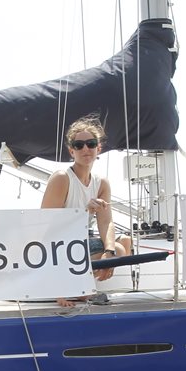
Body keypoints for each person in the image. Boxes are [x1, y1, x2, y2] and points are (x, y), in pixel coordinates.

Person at [40, 115, 132, 306]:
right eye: (79, 145)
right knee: (118, 248)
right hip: (58, 245)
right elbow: (46, 227)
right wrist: (85, 212)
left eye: (91, 144)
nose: (85, 149)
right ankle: (69, 287)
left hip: (81, 244)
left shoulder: (101, 183)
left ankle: (79, 286)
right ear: (71, 150)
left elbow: (107, 222)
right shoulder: (61, 178)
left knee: (121, 248)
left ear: (99, 148)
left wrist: (109, 253)